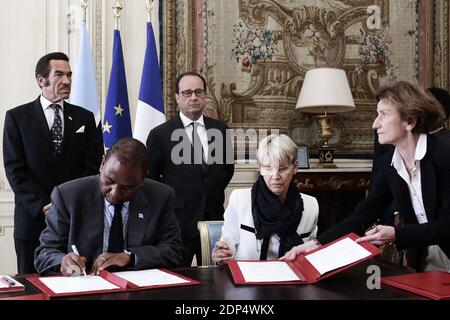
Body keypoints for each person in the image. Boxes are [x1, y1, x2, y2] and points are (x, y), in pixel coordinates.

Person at [283, 81, 450, 272]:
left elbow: (447, 226)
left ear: (410, 121)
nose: (375, 124)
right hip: (425, 259)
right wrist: (315, 244)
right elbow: (364, 214)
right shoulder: (390, 163)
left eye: (384, 114)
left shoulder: (445, 155)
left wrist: (396, 234)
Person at [3, 52, 103, 274]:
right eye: (59, 74)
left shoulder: (85, 118)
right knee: (33, 284)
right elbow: (15, 170)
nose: (67, 81)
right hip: (32, 221)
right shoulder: (17, 118)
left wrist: (69, 203)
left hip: (76, 219)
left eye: (69, 75)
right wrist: (43, 205)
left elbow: (92, 166)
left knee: (78, 283)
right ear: (41, 80)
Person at [34, 138, 185, 276]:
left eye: (126, 187)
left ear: (142, 180)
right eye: (109, 181)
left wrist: (130, 257)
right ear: (102, 164)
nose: (115, 193)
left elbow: (174, 249)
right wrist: (63, 261)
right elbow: (45, 252)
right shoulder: (69, 195)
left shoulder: (161, 196)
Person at [146, 71, 235, 266]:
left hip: (213, 219)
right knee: (178, 279)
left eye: (198, 92)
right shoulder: (160, 134)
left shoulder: (221, 130)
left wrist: (209, 191)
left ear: (205, 97)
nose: (193, 97)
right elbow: (151, 179)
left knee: (216, 281)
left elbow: (227, 170)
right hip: (177, 221)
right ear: (177, 98)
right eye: (187, 93)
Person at [212, 134, 318, 265]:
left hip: (293, 279)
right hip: (248, 280)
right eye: (268, 168)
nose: (275, 176)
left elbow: (311, 254)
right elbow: (226, 248)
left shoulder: (311, 205)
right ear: (260, 167)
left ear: (295, 167)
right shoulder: (240, 200)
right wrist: (220, 256)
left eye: (283, 168)